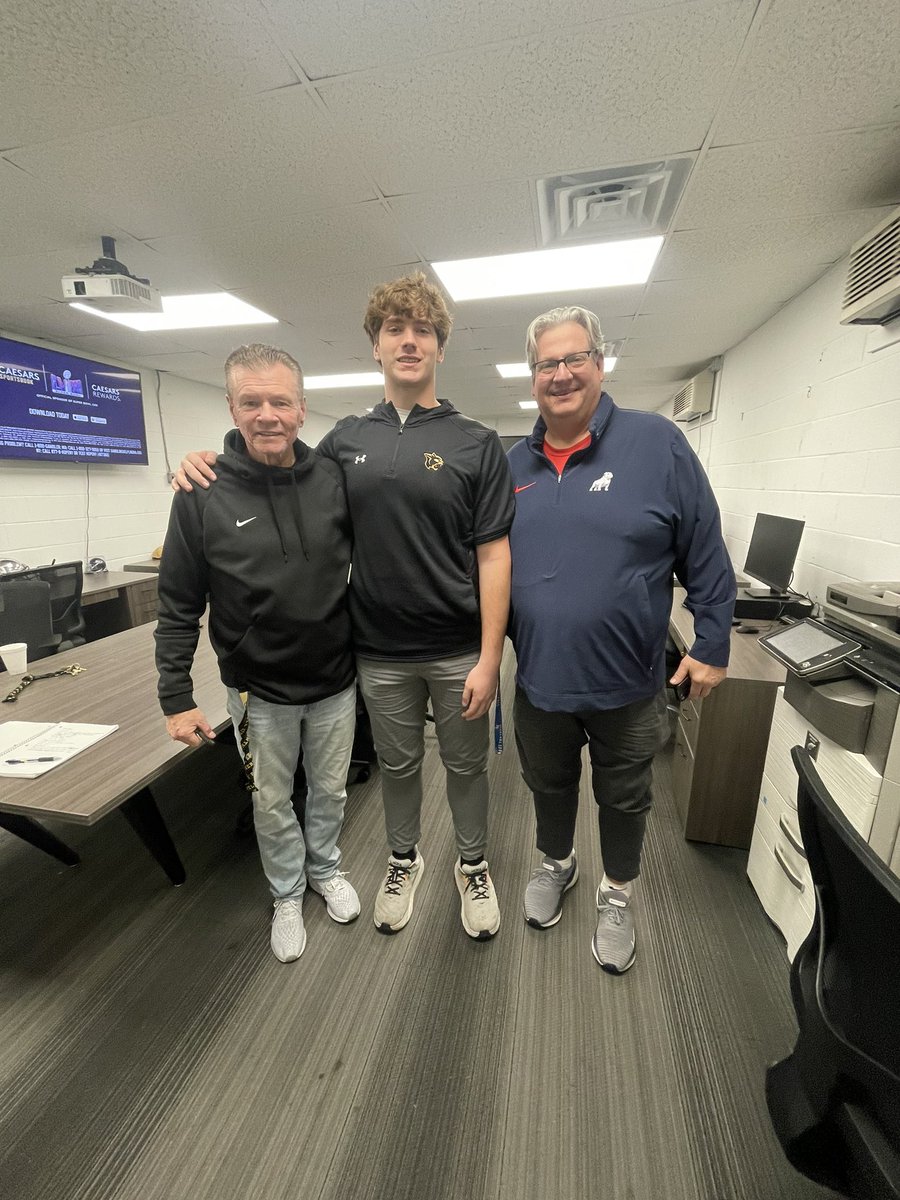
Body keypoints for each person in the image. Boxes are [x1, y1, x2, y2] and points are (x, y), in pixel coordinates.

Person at [174, 275, 514, 941]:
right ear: (377, 345)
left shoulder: (476, 441)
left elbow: (495, 557)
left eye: (421, 330)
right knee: (399, 766)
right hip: (377, 652)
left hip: (456, 650)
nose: (408, 340)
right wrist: (205, 458)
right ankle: (403, 860)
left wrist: (490, 655)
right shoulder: (344, 442)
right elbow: (277, 468)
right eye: (395, 329)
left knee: (467, 766)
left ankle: (472, 865)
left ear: (440, 345)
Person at [507, 306, 736, 974]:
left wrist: (713, 641)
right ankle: (558, 864)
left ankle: (616, 893)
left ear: (600, 363)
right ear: (533, 377)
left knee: (625, 796)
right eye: (547, 363)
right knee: (547, 787)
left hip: (629, 686)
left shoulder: (655, 443)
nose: (562, 373)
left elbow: (704, 547)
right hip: (539, 682)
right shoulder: (511, 464)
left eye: (575, 357)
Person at [155, 344, 360, 964]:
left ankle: (325, 870)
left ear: (302, 408)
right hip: (256, 691)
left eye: (280, 401)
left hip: (334, 679)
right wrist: (174, 696)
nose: (266, 414)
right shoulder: (201, 489)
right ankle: (287, 893)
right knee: (270, 802)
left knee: (329, 791)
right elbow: (178, 601)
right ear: (232, 408)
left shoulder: (333, 478)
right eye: (251, 401)